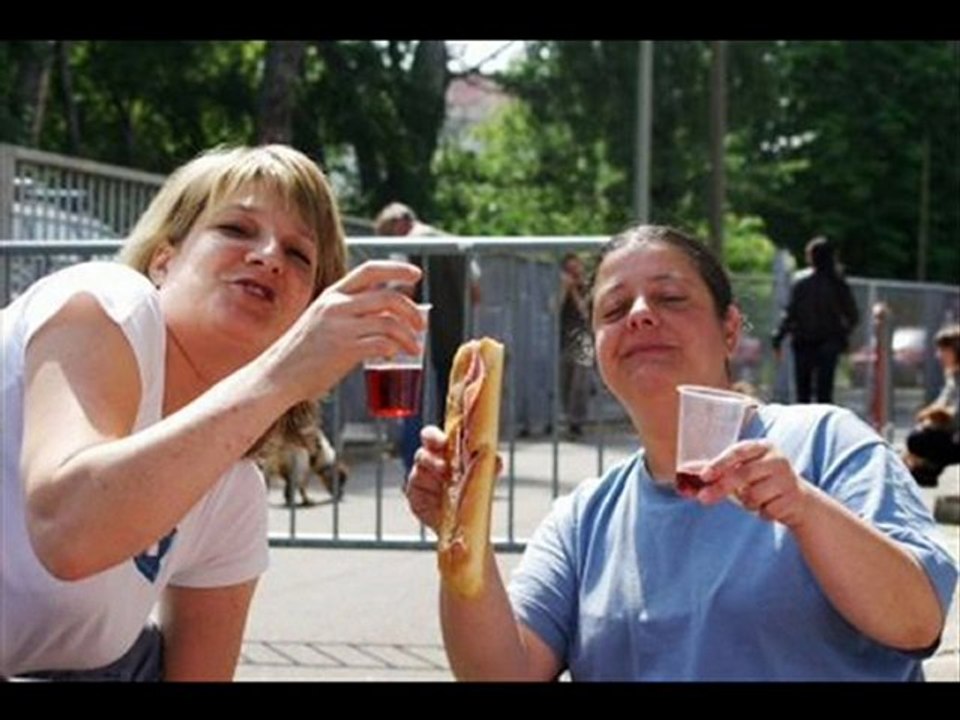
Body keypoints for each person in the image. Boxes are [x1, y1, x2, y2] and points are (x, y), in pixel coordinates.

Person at [404, 224, 957, 681]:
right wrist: (460, 531)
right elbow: (501, 675)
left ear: (730, 328)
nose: (641, 314)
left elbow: (916, 622)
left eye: (671, 297)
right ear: (595, 352)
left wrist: (805, 510)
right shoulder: (582, 520)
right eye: (614, 309)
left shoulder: (827, 442)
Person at [1, 144, 424, 681]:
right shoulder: (104, 301)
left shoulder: (233, 492)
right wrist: (278, 376)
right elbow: (68, 530)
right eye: (237, 229)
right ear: (164, 260)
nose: (269, 256)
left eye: (298, 256)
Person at [374, 202, 480, 471]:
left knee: (413, 408)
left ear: (399, 223)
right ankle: (455, 470)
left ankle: (415, 469)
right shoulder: (453, 243)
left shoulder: (410, 244)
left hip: (418, 339)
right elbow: (477, 293)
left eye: (388, 235)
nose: (389, 242)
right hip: (455, 336)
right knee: (454, 407)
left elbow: (402, 288)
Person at [772, 236, 860, 404]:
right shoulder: (838, 282)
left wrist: (778, 337)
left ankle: (803, 428)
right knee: (824, 394)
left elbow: (791, 314)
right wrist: (841, 335)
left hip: (803, 343)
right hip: (829, 343)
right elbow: (853, 316)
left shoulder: (801, 282)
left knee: (802, 393)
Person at [902, 324, 960, 487]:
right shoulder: (953, 376)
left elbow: (955, 417)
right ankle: (924, 473)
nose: (939, 355)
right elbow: (942, 403)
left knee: (918, 439)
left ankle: (925, 470)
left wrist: (931, 417)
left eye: (943, 351)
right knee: (920, 435)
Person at [559, 252, 592, 439]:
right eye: (569, 269)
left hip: (584, 338)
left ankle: (577, 422)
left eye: (576, 267)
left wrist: (573, 291)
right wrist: (564, 290)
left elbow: (586, 312)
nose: (574, 272)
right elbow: (553, 308)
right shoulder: (562, 285)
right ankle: (568, 417)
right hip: (564, 337)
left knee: (580, 381)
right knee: (565, 378)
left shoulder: (587, 287)